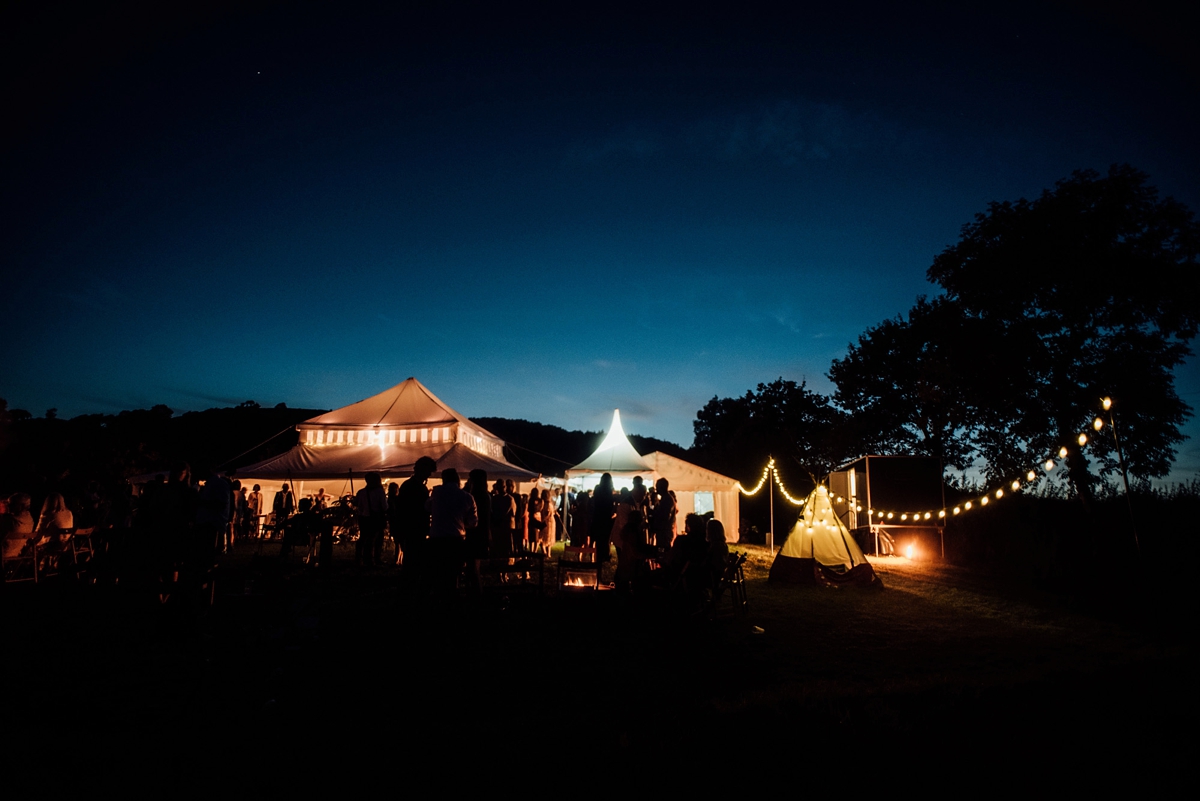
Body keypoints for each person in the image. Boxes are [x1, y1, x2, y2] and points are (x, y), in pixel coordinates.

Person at [425, 468, 478, 600]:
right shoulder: (467, 497)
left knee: (437, 571)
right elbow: (473, 522)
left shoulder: (436, 493)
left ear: (444, 479)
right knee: (453, 571)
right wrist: (461, 522)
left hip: (436, 538)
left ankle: (438, 598)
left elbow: (427, 508)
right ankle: (452, 597)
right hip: (456, 538)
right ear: (458, 480)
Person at [396, 456, 436, 573]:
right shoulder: (415, 486)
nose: (429, 475)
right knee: (413, 559)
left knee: (412, 559)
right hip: (414, 527)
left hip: (412, 527)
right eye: (428, 472)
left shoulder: (409, 485)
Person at [354, 472, 388, 568]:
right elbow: (385, 507)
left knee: (363, 538)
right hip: (375, 518)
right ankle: (374, 559)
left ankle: (360, 558)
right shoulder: (379, 492)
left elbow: (356, 503)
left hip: (363, 518)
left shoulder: (361, 492)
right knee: (376, 539)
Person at [2, 493, 36, 560]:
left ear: (20, 506)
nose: (8, 506)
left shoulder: (10, 520)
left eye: (11, 504)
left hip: (3, 554)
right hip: (16, 554)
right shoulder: (30, 521)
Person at [590, 473, 615, 562]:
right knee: (605, 539)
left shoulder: (598, 489)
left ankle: (598, 556)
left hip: (597, 517)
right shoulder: (610, 491)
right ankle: (605, 555)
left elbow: (595, 502)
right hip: (606, 518)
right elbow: (611, 506)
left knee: (598, 539)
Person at [650, 477, 676, 550]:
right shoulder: (664, 499)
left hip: (664, 532)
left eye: (657, 486)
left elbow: (663, 516)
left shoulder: (667, 500)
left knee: (663, 551)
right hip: (663, 531)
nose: (656, 489)